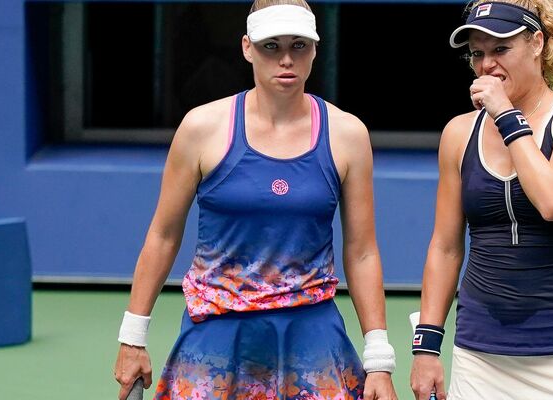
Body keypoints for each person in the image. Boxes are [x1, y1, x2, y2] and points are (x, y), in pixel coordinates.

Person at [113, 1, 398, 399]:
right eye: (271, 47)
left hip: (312, 334)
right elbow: (162, 236)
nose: (286, 59)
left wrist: (379, 359)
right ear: (247, 47)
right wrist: (132, 337)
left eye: (299, 46)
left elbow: (363, 251)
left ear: (316, 49)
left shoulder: (348, 134)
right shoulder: (201, 128)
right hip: (215, 334)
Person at [409, 1, 553, 399]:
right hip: (478, 357)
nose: (487, 64)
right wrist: (426, 347)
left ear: (537, 43)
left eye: (501, 50)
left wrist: (506, 115)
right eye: (477, 53)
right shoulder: (458, 133)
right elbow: (444, 247)